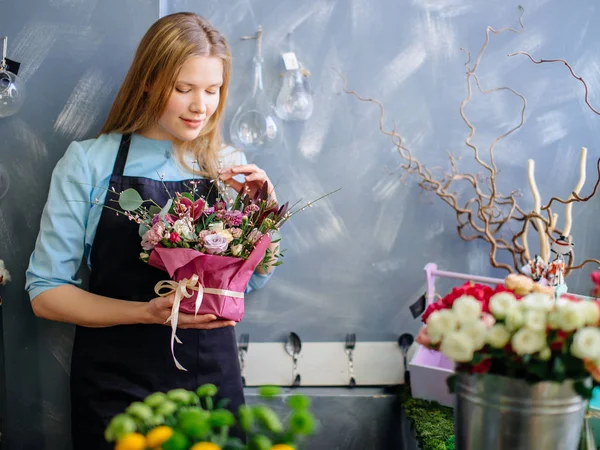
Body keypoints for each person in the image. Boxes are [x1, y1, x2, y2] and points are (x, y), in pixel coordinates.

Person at [25, 12, 278, 449]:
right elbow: (46, 294)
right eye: (184, 89)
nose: (201, 106)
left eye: (213, 90)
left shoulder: (229, 166)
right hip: (115, 386)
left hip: (211, 385)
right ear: (148, 81)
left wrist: (263, 214)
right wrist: (146, 312)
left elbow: (251, 282)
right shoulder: (89, 163)